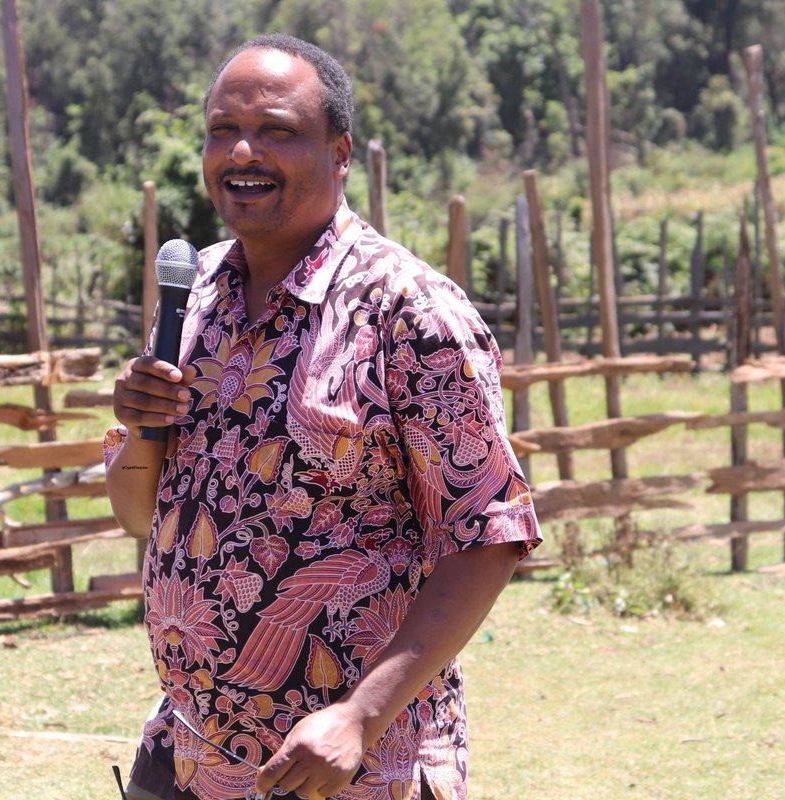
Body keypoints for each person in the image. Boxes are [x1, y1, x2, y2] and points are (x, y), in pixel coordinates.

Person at [105, 33, 541, 800]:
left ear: (340, 153)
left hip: (351, 769)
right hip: (190, 754)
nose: (242, 150)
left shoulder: (408, 311)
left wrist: (358, 717)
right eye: (221, 129)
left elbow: (489, 533)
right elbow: (143, 517)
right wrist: (142, 431)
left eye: (276, 130)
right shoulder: (197, 292)